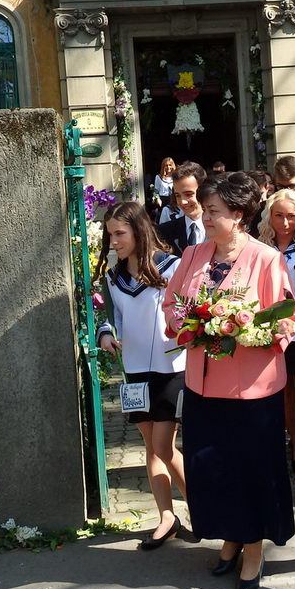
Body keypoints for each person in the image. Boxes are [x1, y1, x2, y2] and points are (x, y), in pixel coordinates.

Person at [163, 171, 295, 589]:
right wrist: (188, 324)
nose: (205, 217)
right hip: (203, 386)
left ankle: (253, 548)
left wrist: (251, 331)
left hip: (250, 389)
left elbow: (289, 316)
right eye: (205, 211)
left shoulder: (266, 259)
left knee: (250, 471)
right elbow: (171, 304)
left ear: (238, 215)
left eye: (214, 211)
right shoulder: (193, 255)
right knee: (213, 469)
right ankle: (231, 537)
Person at [95, 202, 187, 550]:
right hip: (134, 372)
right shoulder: (113, 276)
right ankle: (166, 517)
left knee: (164, 446)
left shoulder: (172, 266)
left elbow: (186, 310)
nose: (114, 241)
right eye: (110, 235)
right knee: (151, 448)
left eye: (120, 233)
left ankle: (204, 508)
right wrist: (106, 334)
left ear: (138, 230)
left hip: (171, 368)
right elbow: (111, 317)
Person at [256, 189, 295, 506]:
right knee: (285, 405)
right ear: (269, 216)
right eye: (278, 215)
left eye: (291, 216)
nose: (284, 223)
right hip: (273, 337)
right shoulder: (259, 250)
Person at [158, 161, 207, 254]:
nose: (182, 202)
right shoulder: (164, 232)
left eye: (188, 194)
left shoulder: (219, 229)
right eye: (178, 195)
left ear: (203, 191)